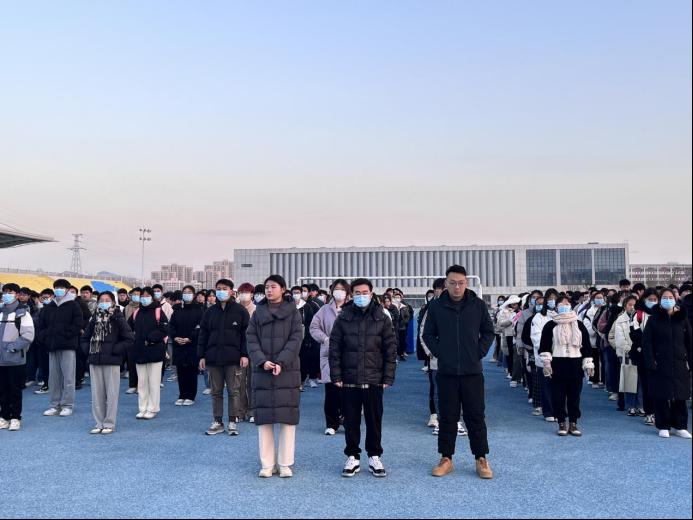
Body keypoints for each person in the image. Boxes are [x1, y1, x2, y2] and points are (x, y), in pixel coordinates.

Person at [423, 265, 496, 480]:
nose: (457, 287)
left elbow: (488, 332)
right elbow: (428, 335)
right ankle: (446, 458)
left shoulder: (477, 305)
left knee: (476, 416)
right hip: (446, 371)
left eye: (461, 283)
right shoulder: (436, 307)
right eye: (453, 283)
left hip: (472, 371)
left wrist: (478, 353)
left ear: (467, 283)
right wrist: (441, 354)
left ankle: (481, 458)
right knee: (447, 416)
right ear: (446, 283)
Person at [329, 278, 397, 478]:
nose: (361, 296)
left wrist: (388, 376)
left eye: (365, 292)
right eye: (357, 293)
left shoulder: (382, 317)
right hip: (349, 378)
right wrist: (336, 374)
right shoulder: (343, 317)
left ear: (371, 293)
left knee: (374, 419)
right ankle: (352, 456)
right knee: (351, 420)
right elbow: (335, 348)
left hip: (374, 378)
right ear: (351, 294)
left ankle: (374, 455)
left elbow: (390, 349)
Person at [246, 275, 303, 478]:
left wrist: (281, 362)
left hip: (287, 370)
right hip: (263, 371)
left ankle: (285, 463)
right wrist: (262, 361)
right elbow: (251, 339)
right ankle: (267, 464)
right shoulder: (258, 313)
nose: (269, 290)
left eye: (273, 287)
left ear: (283, 289)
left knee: (287, 419)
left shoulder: (293, 312)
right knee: (264, 420)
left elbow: (296, 339)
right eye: (267, 287)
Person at [198, 279, 250, 436]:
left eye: (224, 288)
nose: (221, 291)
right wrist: (201, 356)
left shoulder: (240, 311)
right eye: (218, 289)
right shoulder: (209, 312)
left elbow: (246, 335)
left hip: (233, 359)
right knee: (216, 392)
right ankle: (217, 421)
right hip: (213, 358)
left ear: (231, 291)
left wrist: (245, 354)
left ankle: (233, 421)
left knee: (234, 391)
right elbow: (203, 335)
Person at [539, 296, 594, 437]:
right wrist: (546, 362)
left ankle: (573, 422)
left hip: (575, 363)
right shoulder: (550, 325)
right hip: (558, 363)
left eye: (567, 303)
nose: (565, 305)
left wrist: (588, 363)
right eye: (561, 304)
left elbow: (586, 346)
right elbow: (545, 346)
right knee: (558, 395)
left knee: (574, 396)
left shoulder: (578, 324)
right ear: (556, 307)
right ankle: (561, 422)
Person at [81, 291, 134, 434]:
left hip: (111, 361)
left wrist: (115, 350)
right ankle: (99, 422)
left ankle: (109, 423)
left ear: (113, 302)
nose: (104, 303)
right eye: (101, 300)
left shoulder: (118, 317)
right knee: (96, 394)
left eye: (107, 300)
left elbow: (129, 338)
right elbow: (85, 338)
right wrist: (88, 350)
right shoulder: (94, 318)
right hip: (95, 359)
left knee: (111, 394)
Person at [643, 289, 692, 439]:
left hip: (680, 362)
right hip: (660, 362)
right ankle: (663, 425)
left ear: (675, 299)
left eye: (670, 297)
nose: (668, 300)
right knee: (661, 395)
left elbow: (689, 342)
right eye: (665, 297)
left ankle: (680, 426)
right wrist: (651, 361)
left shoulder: (682, 318)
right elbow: (647, 342)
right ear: (660, 300)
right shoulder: (653, 319)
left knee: (680, 395)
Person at [309, 279, 350, 436]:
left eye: (342, 289)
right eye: (336, 289)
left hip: (349, 354)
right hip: (329, 354)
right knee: (331, 391)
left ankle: (348, 421)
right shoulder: (325, 309)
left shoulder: (352, 309)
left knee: (348, 391)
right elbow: (314, 327)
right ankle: (332, 423)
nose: (339, 292)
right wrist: (325, 339)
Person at [40, 279, 84, 418]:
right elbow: (42, 324)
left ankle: (67, 405)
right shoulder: (50, 306)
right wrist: (46, 337)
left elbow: (78, 324)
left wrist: (66, 335)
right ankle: (54, 405)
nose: (58, 289)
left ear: (67, 289)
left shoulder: (73, 305)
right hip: (52, 346)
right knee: (54, 378)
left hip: (67, 345)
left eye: (61, 287)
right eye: (56, 287)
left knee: (68, 377)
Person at [128, 287, 169, 420]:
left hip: (155, 351)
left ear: (152, 297)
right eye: (142, 296)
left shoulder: (158, 311)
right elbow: (128, 328)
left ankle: (153, 408)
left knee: (153, 382)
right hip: (139, 351)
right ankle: (143, 408)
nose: (144, 298)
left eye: (147, 296)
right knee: (142, 382)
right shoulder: (137, 312)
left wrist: (151, 338)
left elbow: (164, 329)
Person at [0, 283, 35, 432]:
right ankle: (4, 416)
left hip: (15, 359)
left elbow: (28, 335)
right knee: (2, 390)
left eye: (10, 292)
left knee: (14, 390)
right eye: (4, 292)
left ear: (17, 294)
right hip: (1, 359)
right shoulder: (1, 311)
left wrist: (13, 347)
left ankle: (15, 417)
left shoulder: (22, 313)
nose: (6, 295)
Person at [168, 285, 204, 407]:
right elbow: (171, 326)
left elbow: (200, 327)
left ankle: (190, 396)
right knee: (181, 371)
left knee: (191, 371)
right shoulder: (177, 309)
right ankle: (182, 395)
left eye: (189, 292)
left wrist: (190, 338)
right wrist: (175, 337)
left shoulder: (199, 310)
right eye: (185, 292)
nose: (186, 294)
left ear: (193, 295)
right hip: (178, 344)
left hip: (192, 344)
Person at [611, 296, 642, 416]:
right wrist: (631, 350)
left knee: (640, 381)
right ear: (625, 306)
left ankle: (640, 405)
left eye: (634, 305)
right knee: (630, 380)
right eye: (630, 304)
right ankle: (631, 406)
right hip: (626, 354)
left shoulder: (641, 318)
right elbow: (619, 339)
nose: (632, 307)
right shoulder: (620, 319)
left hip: (640, 353)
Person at [531, 289, 559, 423]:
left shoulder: (561, 316)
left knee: (559, 385)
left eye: (555, 298)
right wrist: (548, 349)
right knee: (546, 385)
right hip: (544, 356)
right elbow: (536, 338)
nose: (552, 301)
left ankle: (559, 409)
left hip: (560, 356)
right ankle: (548, 410)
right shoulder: (538, 317)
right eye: (550, 299)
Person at [237, 282, 257, 422]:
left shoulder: (257, 310)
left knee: (253, 381)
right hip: (238, 350)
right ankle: (239, 410)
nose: (244, 295)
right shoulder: (235, 310)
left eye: (247, 292)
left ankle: (252, 411)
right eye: (241, 292)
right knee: (238, 383)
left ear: (252, 294)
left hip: (254, 350)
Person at [301, 284, 323, 389]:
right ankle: (302, 379)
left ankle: (312, 378)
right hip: (301, 336)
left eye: (305, 291)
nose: (303, 293)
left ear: (309, 293)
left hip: (313, 335)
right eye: (301, 291)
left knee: (313, 357)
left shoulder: (315, 304)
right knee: (302, 359)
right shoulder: (296, 305)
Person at [392, 289, 413, 362]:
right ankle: (394, 355)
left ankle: (401, 354)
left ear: (401, 298)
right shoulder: (392, 306)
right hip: (394, 327)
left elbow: (407, 316)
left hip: (402, 327)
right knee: (394, 341)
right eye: (396, 297)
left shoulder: (404, 307)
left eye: (398, 297)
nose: (397, 298)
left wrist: (404, 322)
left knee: (402, 341)